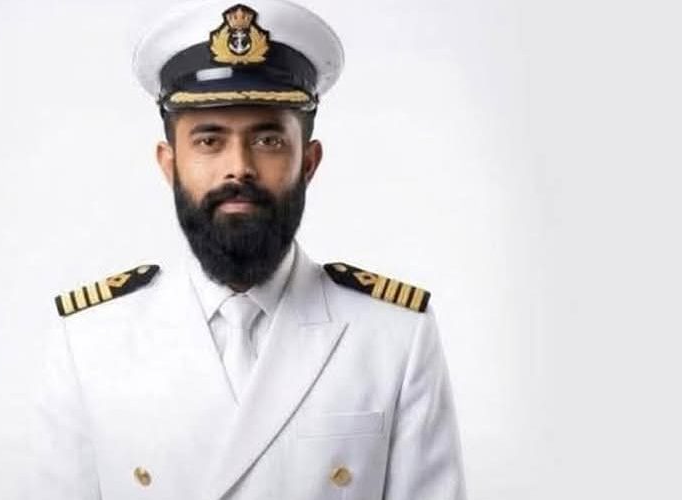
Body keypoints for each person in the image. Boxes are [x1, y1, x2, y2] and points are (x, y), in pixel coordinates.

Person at [29, 1, 466, 498]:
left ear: (309, 162)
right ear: (169, 164)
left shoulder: (394, 338)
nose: (238, 168)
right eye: (209, 141)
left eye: (268, 140)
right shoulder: (89, 341)